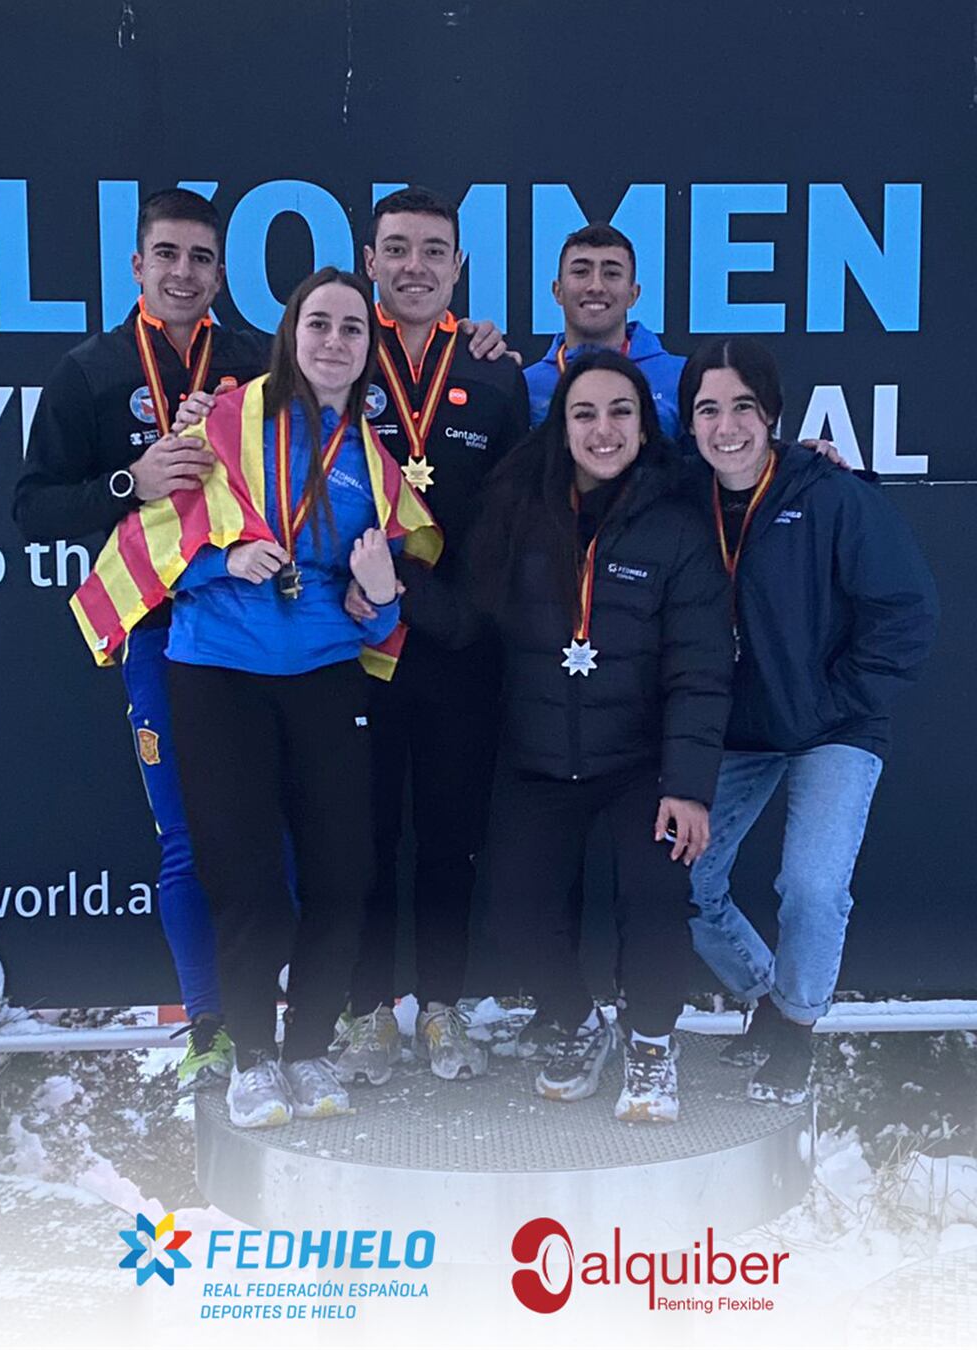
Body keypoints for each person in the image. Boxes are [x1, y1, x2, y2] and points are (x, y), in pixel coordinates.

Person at [69, 267, 441, 1128]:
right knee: (246, 882)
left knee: (343, 872)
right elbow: (153, 533)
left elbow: (377, 594)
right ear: (291, 332)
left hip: (323, 675)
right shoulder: (226, 422)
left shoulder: (366, 453)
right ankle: (253, 1060)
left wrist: (382, 596)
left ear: (368, 345)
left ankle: (309, 1049)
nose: (336, 341)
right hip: (217, 675)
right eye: (320, 324)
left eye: (353, 328)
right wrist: (217, 561)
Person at [411, 350, 734, 1121]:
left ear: (645, 424)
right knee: (515, 914)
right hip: (536, 760)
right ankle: (582, 1023)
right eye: (584, 413)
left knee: (657, 898)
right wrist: (397, 593)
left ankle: (652, 1046)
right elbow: (466, 622)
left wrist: (687, 787)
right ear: (561, 425)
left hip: (641, 763)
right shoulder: (519, 506)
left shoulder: (680, 523)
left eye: (620, 412)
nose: (603, 429)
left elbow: (700, 669)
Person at [13, 188, 268, 1090]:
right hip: (159, 633)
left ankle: (305, 1019)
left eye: (201, 258)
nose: (184, 273)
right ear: (138, 265)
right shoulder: (88, 372)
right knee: (188, 839)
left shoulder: (260, 362)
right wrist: (134, 476)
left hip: (263, 629)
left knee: (290, 826)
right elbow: (33, 507)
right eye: (168, 255)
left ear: (222, 270)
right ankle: (210, 1027)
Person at [681, 337, 939, 1106]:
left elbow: (906, 611)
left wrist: (834, 699)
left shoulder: (830, 493)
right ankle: (767, 994)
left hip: (832, 723)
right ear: (688, 422)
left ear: (773, 415)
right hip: (738, 728)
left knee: (813, 888)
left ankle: (794, 1029)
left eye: (743, 408)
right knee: (684, 884)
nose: (727, 427)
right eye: (708, 409)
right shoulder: (677, 500)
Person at [335, 185, 531, 1085]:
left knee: (450, 833)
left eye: (434, 251)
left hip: (462, 646)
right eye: (397, 249)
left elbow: (517, 522)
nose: (415, 266)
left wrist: (459, 616)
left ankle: (444, 1006)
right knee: (364, 834)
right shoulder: (331, 353)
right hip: (356, 638)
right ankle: (371, 1009)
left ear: (458, 267)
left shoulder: (496, 374)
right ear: (370, 260)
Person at [525, 222, 685, 438]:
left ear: (633, 294)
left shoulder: (680, 377)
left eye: (611, 273)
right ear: (557, 291)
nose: (596, 286)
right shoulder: (526, 386)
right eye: (581, 272)